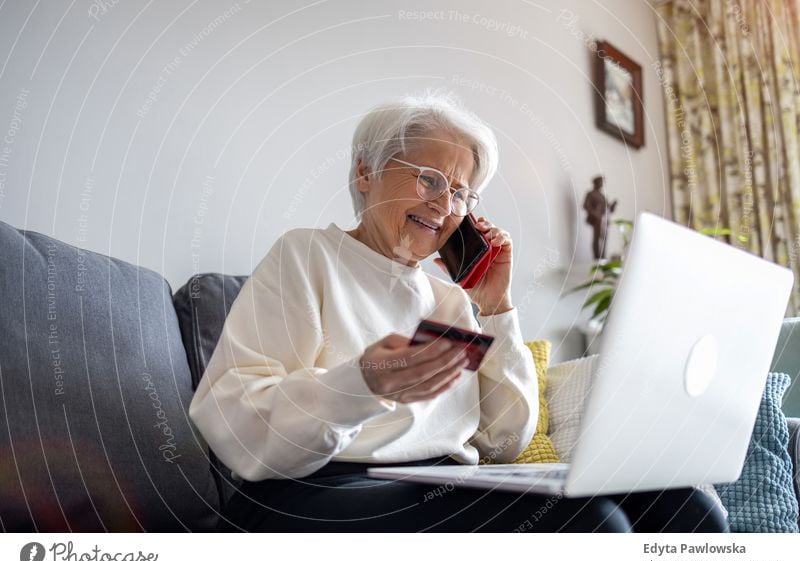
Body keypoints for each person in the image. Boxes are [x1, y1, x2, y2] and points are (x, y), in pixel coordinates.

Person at [188, 92, 727, 533]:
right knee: (594, 526)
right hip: (319, 490)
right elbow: (235, 424)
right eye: (430, 179)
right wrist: (364, 383)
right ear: (365, 173)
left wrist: (494, 307)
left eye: (463, 194)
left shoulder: (450, 299)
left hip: (444, 484)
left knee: (686, 507)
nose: (446, 206)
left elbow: (505, 439)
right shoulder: (306, 255)